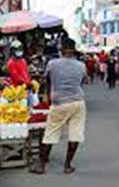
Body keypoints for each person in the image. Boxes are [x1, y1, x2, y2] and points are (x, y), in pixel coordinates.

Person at [31, 38, 87, 175]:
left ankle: (41, 166)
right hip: (78, 102)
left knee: (50, 133)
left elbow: (48, 81)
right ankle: (67, 165)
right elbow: (82, 82)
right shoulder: (81, 65)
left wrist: (49, 95)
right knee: (75, 134)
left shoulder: (52, 64)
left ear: (61, 49)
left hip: (59, 103)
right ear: (74, 51)